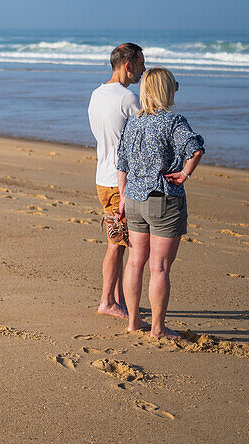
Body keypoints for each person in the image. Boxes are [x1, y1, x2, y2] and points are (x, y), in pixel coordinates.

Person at [115, 67, 204, 339]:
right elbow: (195, 149)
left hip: (134, 199)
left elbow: (121, 163)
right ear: (166, 90)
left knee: (134, 263)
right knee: (160, 268)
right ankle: (157, 328)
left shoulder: (134, 122)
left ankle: (133, 322)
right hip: (164, 198)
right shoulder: (174, 121)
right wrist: (185, 173)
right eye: (173, 85)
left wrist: (122, 197)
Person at [87, 43, 145, 320]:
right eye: (141, 64)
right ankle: (107, 301)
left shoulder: (96, 94)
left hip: (102, 176)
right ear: (128, 65)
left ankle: (117, 298)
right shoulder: (128, 98)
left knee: (119, 243)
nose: (144, 70)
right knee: (117, 243)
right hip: (119, 181)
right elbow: (143, 139)